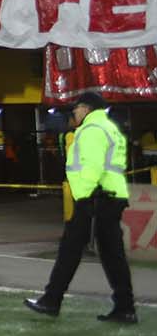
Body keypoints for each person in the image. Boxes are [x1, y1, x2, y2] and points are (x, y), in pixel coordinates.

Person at [25, 92, 137, 323]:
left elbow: (92, 167)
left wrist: (84, 197)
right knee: (112, 254)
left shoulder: (92, 130)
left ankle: (51, 300)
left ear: (86, 108)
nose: (74, 114)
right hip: (109, 196)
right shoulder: (108, 127)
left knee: (70, 250)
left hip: (95, 198)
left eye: (75, 110)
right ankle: (125, 307)